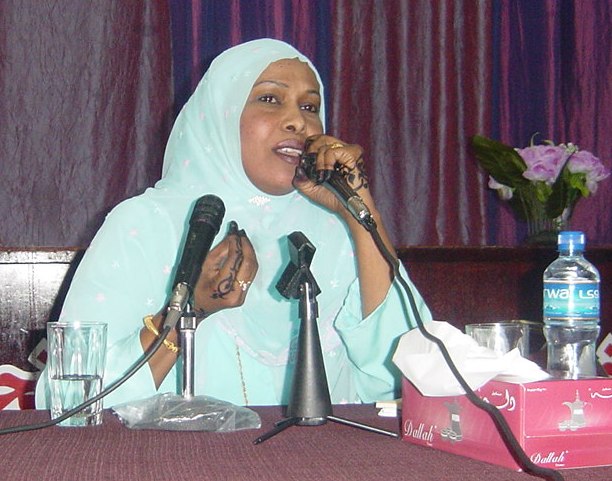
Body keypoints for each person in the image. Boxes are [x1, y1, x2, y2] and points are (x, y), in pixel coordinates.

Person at [36, 38, 431, 408]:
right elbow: (65, 397)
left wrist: (361, 214)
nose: (297, 122)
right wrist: (187, 311)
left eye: (310, 107)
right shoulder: (146, 224)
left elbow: (411, 376)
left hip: (324, 454)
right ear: (221, 114)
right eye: (270, 99)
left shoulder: (338, 232)